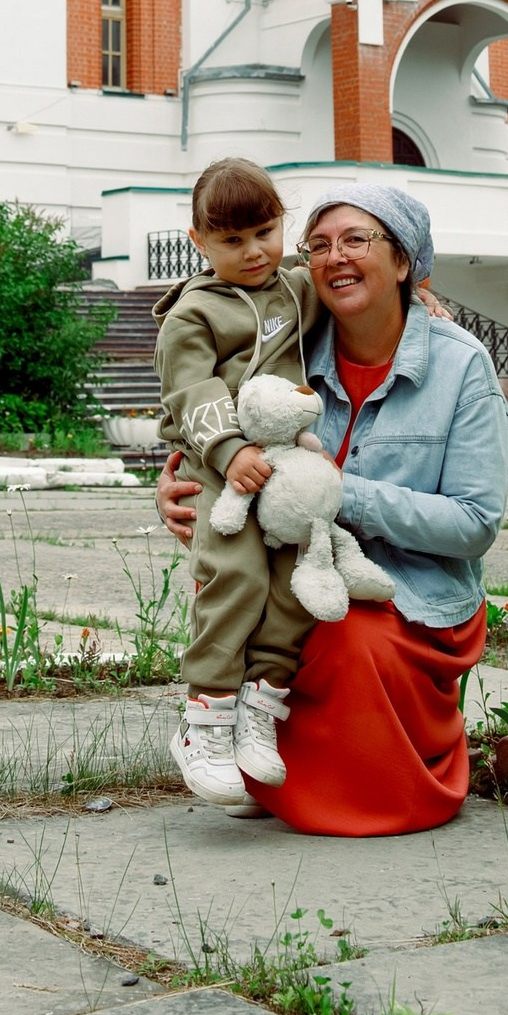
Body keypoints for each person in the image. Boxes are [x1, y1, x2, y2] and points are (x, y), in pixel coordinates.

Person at [157, 181, 508, 837]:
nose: (335, 257)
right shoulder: (289, 357)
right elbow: (211, 423)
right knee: (278, 603)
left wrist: (336, 492)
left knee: (337, 628)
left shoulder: (462, 367)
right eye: (318, 245)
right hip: (299, 562)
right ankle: (236, 745)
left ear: (403, 261)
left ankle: (333, 786)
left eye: (357, 240)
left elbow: (474, 525)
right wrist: (175, 485)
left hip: (416, 589)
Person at [154, 157, 326, 805]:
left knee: (293, 580)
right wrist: (227, 451)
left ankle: (261, 707)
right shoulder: (193, 316)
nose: (254, 252)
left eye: (265, 232)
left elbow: (354, 272)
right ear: (199, 242)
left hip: (285, 466)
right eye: (232, 241)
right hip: (218, 466)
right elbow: (190, 391)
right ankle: (206, 721)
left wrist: (416, 284)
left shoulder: (295, 288)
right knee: (238, 578)